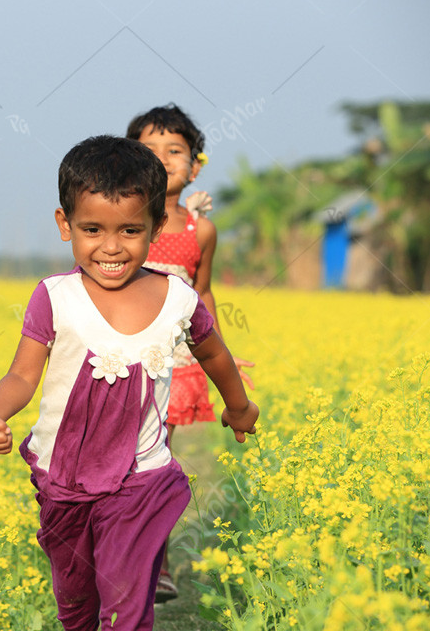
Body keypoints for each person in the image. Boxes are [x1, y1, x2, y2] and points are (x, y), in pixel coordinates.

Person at [0, 135, 258, 631]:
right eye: (92, 229)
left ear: (158, 225)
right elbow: (23, 373)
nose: (111, 247)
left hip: (140, 475)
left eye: (130, 230)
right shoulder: (54, 297)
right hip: (63, 476)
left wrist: (238, 406)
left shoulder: (178, 298)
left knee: (125, 599)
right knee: (76, 600)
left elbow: (213, 352)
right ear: (65, 225)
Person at [128, 105, 255, 601]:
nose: (161, 160)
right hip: (117, 355)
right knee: (118, 461)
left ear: (195, 166)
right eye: (148, 151)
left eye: (173, 151)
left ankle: (152, 564)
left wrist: (220, 352)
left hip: (174, 362)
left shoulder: (199, 231)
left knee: (154, 459)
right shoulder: (125, 218)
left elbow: (202, 297)